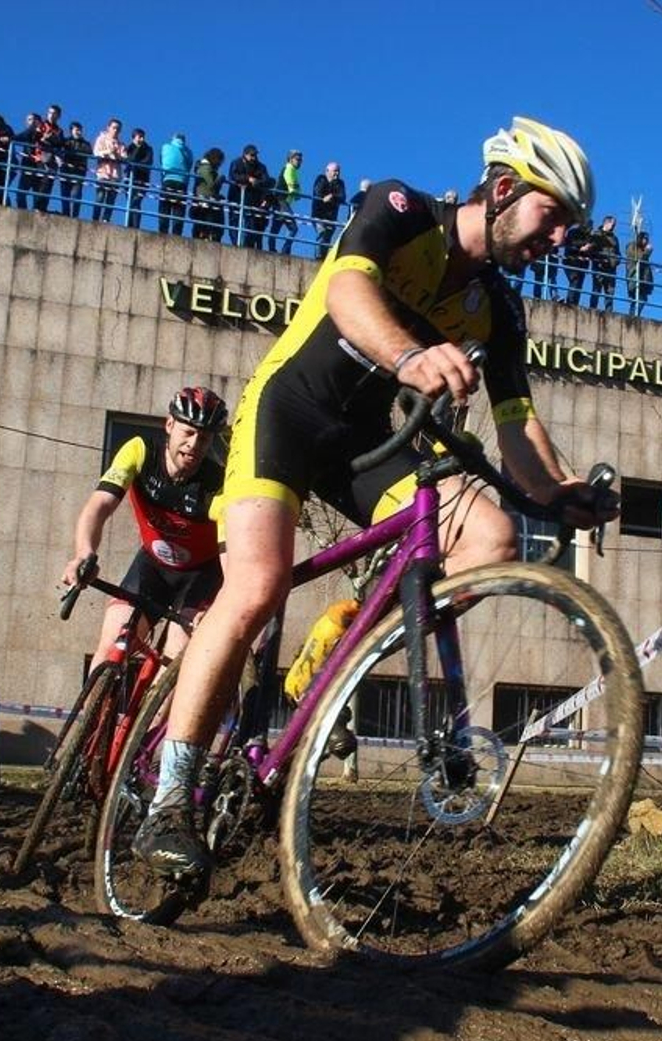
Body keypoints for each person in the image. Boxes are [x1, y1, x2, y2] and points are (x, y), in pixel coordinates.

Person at [130, 116, 618, 880]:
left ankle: (339, 668)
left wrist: (560, 492)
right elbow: (349, 291)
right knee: (256, 585)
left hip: (365, 442)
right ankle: (168, 799)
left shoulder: (499, 307)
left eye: (568, 228)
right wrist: (413, 354)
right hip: (287, 413)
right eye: (552, 217)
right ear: (501, 190)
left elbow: (519, 429)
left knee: (488, 536)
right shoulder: (400, 209)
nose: (558, 240)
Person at [62, 388, 231, 665]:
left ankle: (163, 704)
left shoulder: (218, 483)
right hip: (152, 567)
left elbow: (229, 548)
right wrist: (84, 553)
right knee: (109, 647)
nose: (194, 444)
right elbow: (100, 505)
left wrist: (224, 600)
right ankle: (95, 706)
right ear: (169, 425)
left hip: (201, 578)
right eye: (188, 433)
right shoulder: (140, 452)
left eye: (204, 438)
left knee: (177, 658)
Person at [229, 144, 271, 249]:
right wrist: (248, 179)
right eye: (252, 155)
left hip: (253, 200)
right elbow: (233, 176)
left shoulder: (261, 167)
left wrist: (257, 183)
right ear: (245, 155)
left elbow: (266, 181)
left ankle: (247, 246)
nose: (254, 158)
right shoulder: (236, 163)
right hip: (236, 197)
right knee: (234, 222)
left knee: (251, 225)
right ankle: (236, 244)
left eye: (255, 155)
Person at [158, 131, 194, 236]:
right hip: (182, 181)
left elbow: (162, 160)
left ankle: (163, 231)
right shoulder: (188, 152)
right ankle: (177, 233)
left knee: (165, 207)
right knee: (179, 209)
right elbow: (189, 165)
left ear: (173, 138)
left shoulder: (166, 146)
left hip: (168, 178)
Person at [92, 119, 125, 223]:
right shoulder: (101, 139)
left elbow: (125, 158)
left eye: (118, 129)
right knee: (100, 197)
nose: (116, 130)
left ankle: (106, 219)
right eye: (114, 127)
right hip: (103, 173)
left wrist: (116, 155)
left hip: (115, 175)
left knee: (111, 200)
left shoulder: (120, 144)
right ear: (108, 127)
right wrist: (108, 152)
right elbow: (96, 152)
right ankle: (95, 218)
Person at [271, 150, 303, 254]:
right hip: (281, 201)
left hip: (281, 201)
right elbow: (292, 186)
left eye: (301, 160)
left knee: (276, 226)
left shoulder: (293, 170)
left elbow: (297, 188)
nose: (300, 162)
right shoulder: (289, 168)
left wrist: (297, 192)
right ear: (290, 159)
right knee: (293, 228)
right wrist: (295, 192)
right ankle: (285, 250)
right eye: (297, 159)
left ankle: (272, 248)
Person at [310, 161, 346, 255]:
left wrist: (332, 196)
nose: (337, 173)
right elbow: (317, 192)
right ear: (327, 171)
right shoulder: (321, 179)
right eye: (335, 171)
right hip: (318, 214)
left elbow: (342, 197)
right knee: (321, 233)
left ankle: (323, 258)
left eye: (338, 171)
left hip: (331, 217)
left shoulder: (340, 183)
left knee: (328, 238)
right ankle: (318, 257)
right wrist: (324, 198)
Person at [191, 147, 226, 241]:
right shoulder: (205, 168)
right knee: (206, 222)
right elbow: (211, 184)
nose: (220, 164)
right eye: (220, 161)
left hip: (205, 200)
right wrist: (220, 179)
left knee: (205, 223)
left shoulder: (204, 167)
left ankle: (206, 235)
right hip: (205, 200)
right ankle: (205, 236)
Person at [59, 121, 92, 219]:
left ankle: (75, 216)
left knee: (76, 195)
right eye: (77, 130)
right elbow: (59, 149)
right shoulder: (66, 141)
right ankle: (66, 214)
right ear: (71, 131)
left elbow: (89, 152)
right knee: (65, 195)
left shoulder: (86, 143)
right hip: (65, 171)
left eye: (80, 130)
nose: (79, 132)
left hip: (79, 172)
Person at [124, 128, 155, 229]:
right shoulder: (129, 148)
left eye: (143, 137)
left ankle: (135, 227)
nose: (141, 139)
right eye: (139, 137)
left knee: (136, 202)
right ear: (134, 137)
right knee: (130, 202)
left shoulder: (148, 149)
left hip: (142, 180)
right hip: (129, 179)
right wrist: (136, 149)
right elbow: (128, 160)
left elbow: (147, 162)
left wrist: (135, 164)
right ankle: (129, 225)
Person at [588, 215, 619, 311]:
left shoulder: (614, 238)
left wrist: (615, 261)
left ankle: (609, 312)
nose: (614, 226)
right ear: (606, 223)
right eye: (612, 224)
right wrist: (599, 259)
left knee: (610, 292)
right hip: (599, 267)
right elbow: (591, 250)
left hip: (611, 269)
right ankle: (592, 310)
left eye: (614, 225)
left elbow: (618, 253)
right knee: (596, 290)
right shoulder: (596, 235)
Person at [560, 221, 591, 305]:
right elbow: (570, 245)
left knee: (579, 284)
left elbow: (589, 249)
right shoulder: (573, 232)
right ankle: (570, 301)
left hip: (582, 264)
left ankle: (575, 303)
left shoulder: (588, 236)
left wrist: (588, 253)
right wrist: (581, 248)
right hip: (571, 261)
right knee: (574, 280)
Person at [626, 230, 654, 317]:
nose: (646, 241)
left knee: (641, 299)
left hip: (643, 279)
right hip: (635, 276)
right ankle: (633, 316)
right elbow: (639, 260)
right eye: (644, 238)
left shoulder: (643, 249)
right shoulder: (632, 247)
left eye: (647, 239)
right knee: (638, 299)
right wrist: (647, 252)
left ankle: (634, 315)